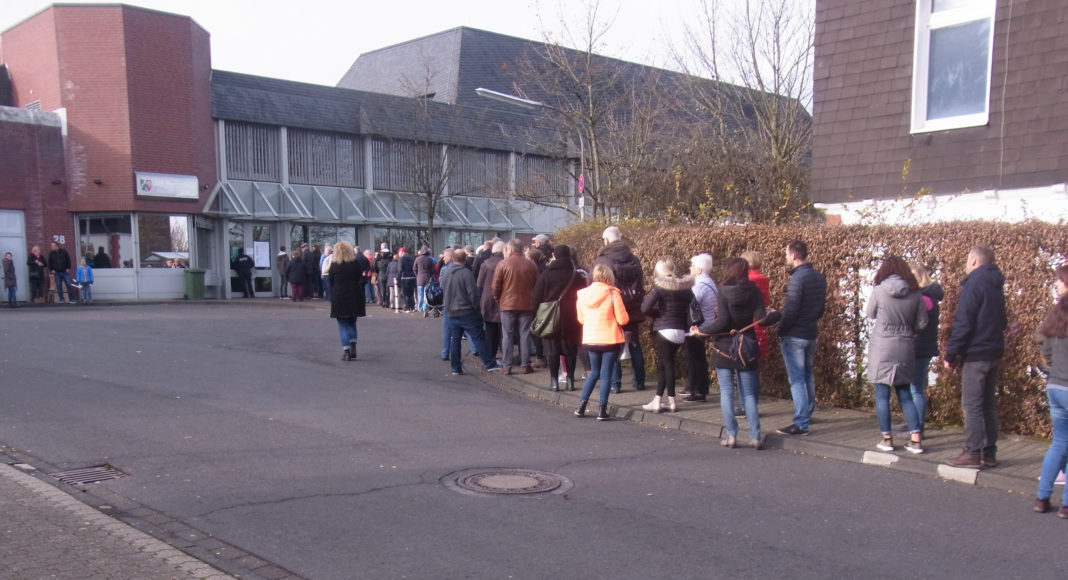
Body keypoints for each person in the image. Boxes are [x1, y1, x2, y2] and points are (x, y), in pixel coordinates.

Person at [692, 257, 769, 448]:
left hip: (724, 347)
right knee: (749, 394)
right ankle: (755, 436)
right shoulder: (754, 291)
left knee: (726, 392)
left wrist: (702, 331)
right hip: (747, 346)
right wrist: (773, 313)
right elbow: (761, 319)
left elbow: (723, 322)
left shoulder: (724, 290)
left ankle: (732, 435)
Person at [944, 244, 1007, 468]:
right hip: (994, 350)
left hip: (977, 352)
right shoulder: (997, 284)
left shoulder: (974, 284)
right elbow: (1003, 320)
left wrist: (951, 354)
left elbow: (964, 322)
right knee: (988, 404)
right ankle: (989, 452)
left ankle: (972, 452)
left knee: (972, 405)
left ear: (973, 261)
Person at [867, 256, 928, 454]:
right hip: (905, 346)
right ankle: (916, 439)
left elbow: (870, 313)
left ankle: (887, 439)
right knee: (905, 394)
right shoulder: (915, 293)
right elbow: (922, 323)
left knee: (882, 395)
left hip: (882, 346)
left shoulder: (879, 290)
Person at [776, 240, 827, 436]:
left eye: (787, 254)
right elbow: (820, 307)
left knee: (797, 379)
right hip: (811, 332)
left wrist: (782, 329)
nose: (786, 257)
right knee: (807, 375)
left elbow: (791, 308)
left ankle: (801, 422)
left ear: (795, 255)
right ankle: (807, 413)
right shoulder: (819, 277)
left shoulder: (798, 279)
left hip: (795, 334)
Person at [593, 226, 646, 393]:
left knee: (613, 345)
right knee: (635, 344)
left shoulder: (603, 261)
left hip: (612, 306)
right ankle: (640, 381)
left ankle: (616, 384)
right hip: (633, 306)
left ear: (606, 241)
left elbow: (593, 283)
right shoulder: (634, 259)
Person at [1034, 265, 1068, 518]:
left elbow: (1044, 349)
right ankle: (1066, 505)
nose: (1056, 285)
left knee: (1059, 443)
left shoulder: (1056, 314)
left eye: (1058, 281)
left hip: (1055, 386)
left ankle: (1042, 498)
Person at [575, 263, 629, 420]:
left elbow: (581, 319)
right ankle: (601, 409)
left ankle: (581, 406)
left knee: (594, 372)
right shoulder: (613, 294)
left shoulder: (582, 295)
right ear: (608, 277)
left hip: (591, 339)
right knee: (606, 375)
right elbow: (623, 319)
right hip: (610, 339)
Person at [639, 258, 694, 413]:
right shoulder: (685, 287)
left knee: (667, 364)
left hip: (664, 329)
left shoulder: (660, 287)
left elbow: (644, 308)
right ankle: (657, 399)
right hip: (681, 331)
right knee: (664, 364)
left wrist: (658, 314)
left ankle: (671, 401)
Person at [531, 244, 586, 392]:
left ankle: (554, 382)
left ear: (554, 256)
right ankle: (570, 381)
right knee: (570, 350)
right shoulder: (577, 276)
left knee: (552, 350)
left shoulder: (546, 275)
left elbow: (536, 298)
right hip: (572, 317)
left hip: (550, 317)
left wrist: (538, 313)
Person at [440, 249, 503, 375]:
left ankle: (455, 367)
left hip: (451, 311)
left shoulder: (447, 272)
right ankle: (489, 363)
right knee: (478, 338)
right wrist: (477, 308)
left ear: (453, 258)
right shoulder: (466, 273)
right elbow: (473, 294)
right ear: (465, 259)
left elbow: (443, 289)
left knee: (455, 340)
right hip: (467, 311)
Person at [492, 239, 540, 375]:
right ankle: (526, 364)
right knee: (525, 334)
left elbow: (496, 286)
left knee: (507, 335)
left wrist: (498, 299)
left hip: (507, 304)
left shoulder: (502, 264)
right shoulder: (531, 265)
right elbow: (537, 285)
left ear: (510, 250)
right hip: (526, 304)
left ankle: (507, 366)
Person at [906, 263, 943, 433]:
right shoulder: (929, 296)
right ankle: (912, 422)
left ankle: (917, 426)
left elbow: (916, 323)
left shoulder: (924, 298)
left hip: (919, 347)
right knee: (914, 387)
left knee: (916, 389)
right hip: (923, 346)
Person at [684, 253, 717, 402]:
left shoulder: (698, 285)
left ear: (699, 269)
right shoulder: (710, 282)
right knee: (697, 356)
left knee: (696, 357)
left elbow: (690, 304)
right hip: (708, 322)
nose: (690, 268)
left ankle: (699, 390)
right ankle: (694, 387)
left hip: (697, 326)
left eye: (692, 266)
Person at [328, 241, 366, 361]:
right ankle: (353, 345)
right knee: (352, 322)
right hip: (354, 295)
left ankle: (346, 350)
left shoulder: (334, 265)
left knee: (342, 324)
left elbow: (331, 282)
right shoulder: (355, 263)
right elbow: (360, 277)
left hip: (340, 296)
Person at [476, 242, 505, 361]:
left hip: (487, 297)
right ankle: (504, 353)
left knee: (489, 328)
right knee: (504, 329)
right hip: (503, 297)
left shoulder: (485, 264)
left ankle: (490, 354)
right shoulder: (505, 263)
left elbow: (479, 283)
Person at [414, 246, 435, 312]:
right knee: (426, 294)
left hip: (419, 278)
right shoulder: (429, 260)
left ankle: (419, 308)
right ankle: (424, 307)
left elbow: (414, 269)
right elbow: (432, 270)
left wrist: (417, 275)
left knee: (420, 294)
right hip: (427, 278)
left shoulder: (417, 259)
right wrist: (429, 274)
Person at [398, 247, 417, 312]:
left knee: (406, 293)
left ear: (402, 252)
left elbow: (400, 269)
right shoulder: (412, 258)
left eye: (399, 252)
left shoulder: (401, 259)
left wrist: (398, 278)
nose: (399, 254)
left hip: (405, 277)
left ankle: (407, 307)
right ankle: (412, 307)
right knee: (411, 293)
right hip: (412, 277)